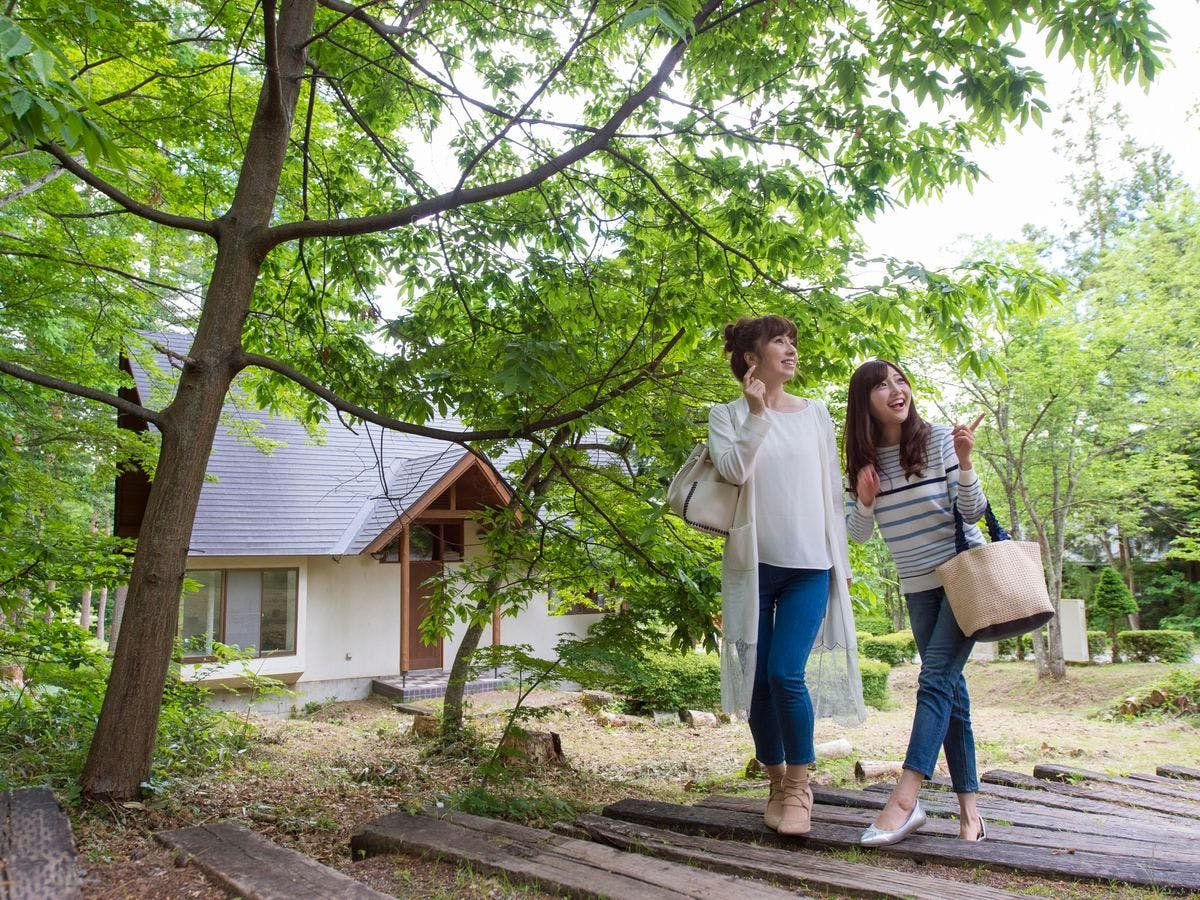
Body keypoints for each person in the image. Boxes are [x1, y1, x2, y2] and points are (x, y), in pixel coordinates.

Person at [708, 315, 865, 836]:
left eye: (793, 342)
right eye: (781, 342)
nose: (791, 351)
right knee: (757, 684)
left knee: (785, 674)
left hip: (810, 568)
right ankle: (775, 779)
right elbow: (733, 471)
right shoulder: (727, 414)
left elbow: (828, 490)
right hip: (753, 569)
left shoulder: (816, 414)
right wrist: (755, 415)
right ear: (752, 357)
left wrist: (842, 555)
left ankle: (800, 784)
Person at [843, 359, 988, 845]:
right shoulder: (862, 462)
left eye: (900, 380)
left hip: (961, 577)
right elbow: (858, 536)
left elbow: (971, 511)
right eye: (882, 386)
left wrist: (966, 462)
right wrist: (865, 499)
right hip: (916, 585)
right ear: (864, 402)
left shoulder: (941, 439)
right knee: (952, 693)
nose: (896, 390)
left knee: (934, 678)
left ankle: (905, 800)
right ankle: (971, 812)